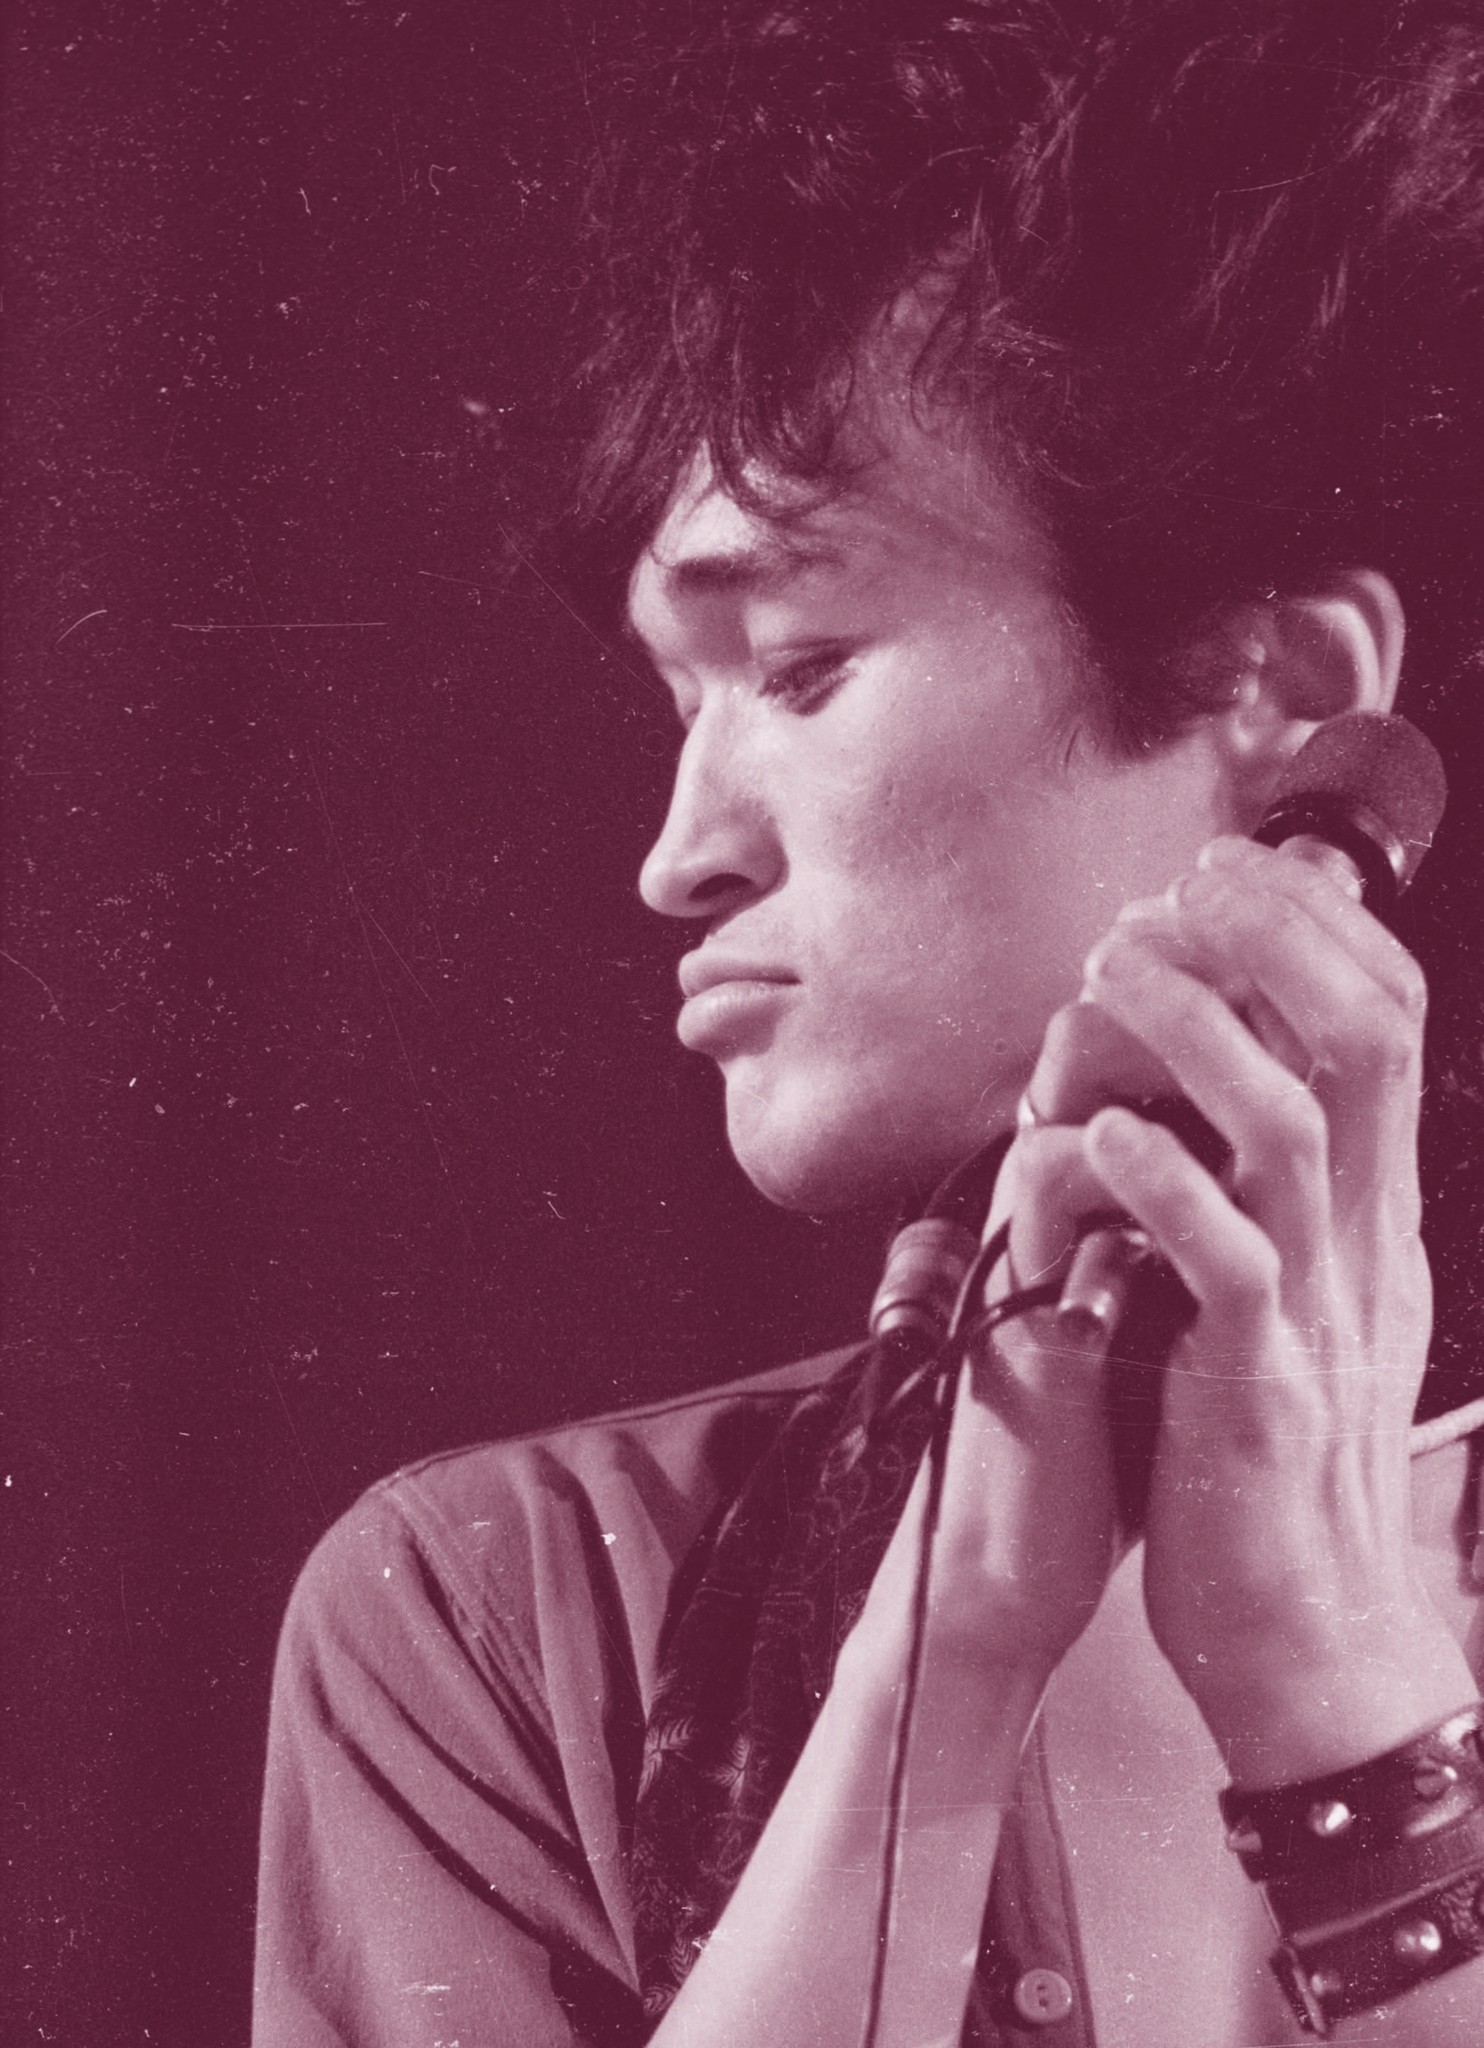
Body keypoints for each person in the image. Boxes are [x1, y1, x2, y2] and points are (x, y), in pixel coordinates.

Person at [253, 3, 1484, 2042]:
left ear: (1282, 691)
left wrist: (1335, 1681)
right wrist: (941, 1662)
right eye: (679, 705)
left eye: (802, 667)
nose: (678, 856)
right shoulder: (500, 1608)